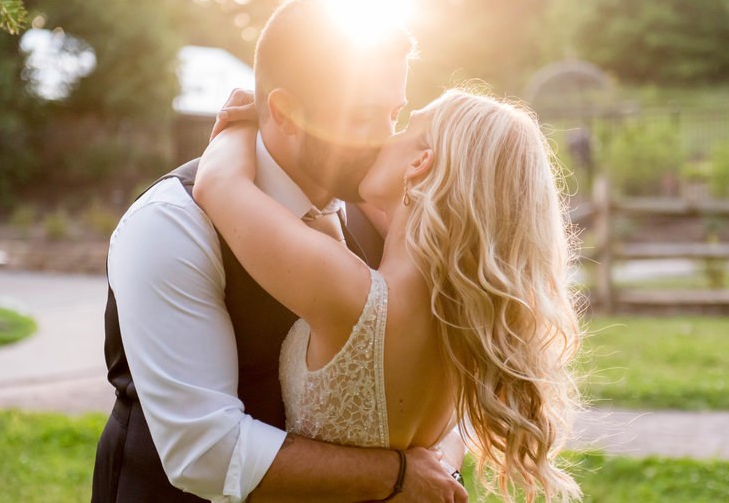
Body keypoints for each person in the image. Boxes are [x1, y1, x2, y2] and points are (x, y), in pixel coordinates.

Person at [91, 0, 467, 503]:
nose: (385, 140)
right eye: (361, 118)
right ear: (286, 113)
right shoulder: (171, 224)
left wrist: (435, 459)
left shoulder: (387, 211)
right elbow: (203, 451)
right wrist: (394, 477)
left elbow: (444, 376)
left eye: (394, 113)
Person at [193, 89, 583, 503]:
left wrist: (250, 121)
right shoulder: (464, 315)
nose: (383, 138)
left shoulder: (355, 298)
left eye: (406, 126)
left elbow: (218, 183)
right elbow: (390, 207)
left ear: (419, 163)